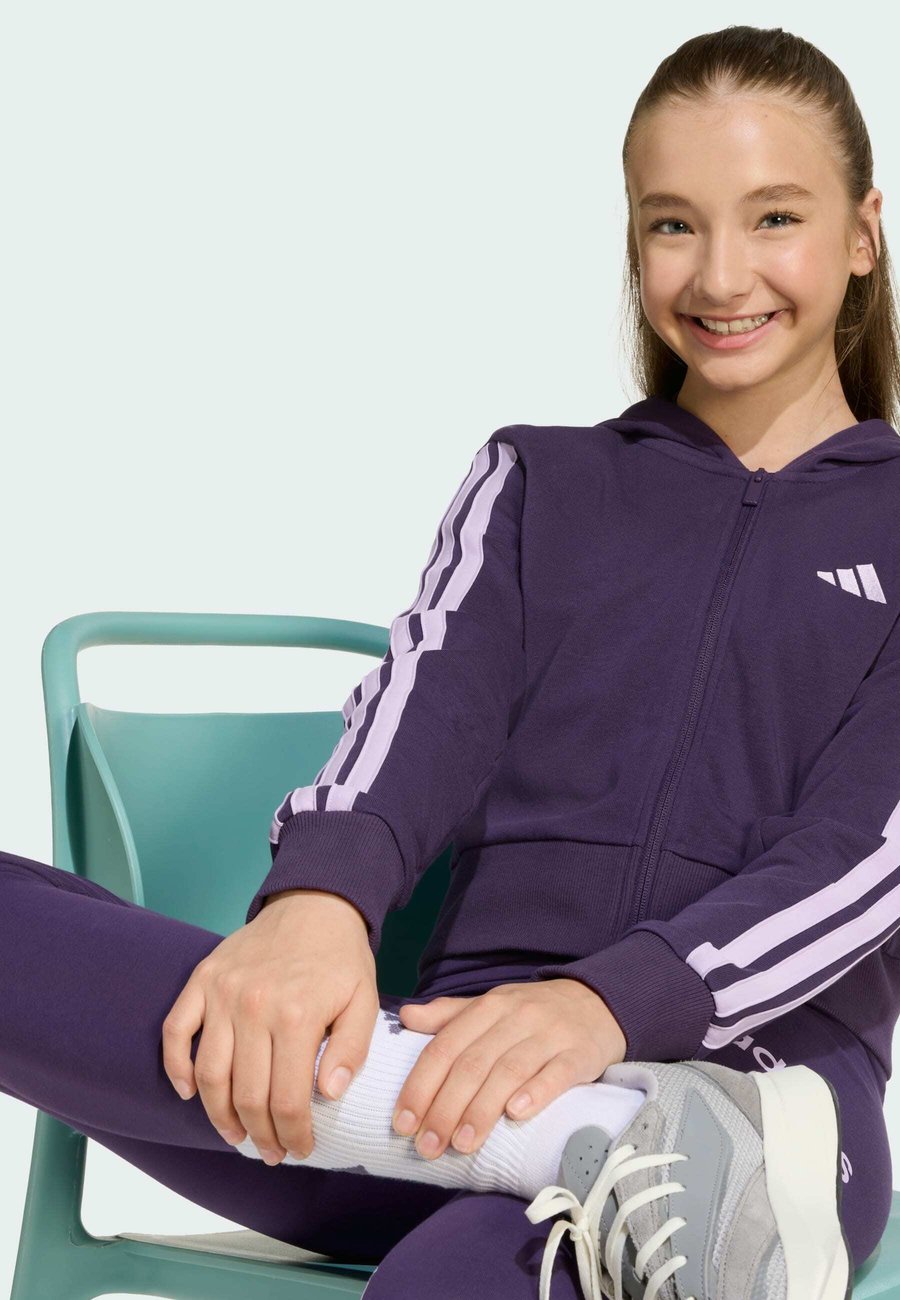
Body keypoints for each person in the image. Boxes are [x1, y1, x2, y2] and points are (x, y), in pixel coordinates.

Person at [4, 21, 898, 1300]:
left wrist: (611, 1004)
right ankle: (578, 1135)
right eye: (672, 223)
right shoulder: (541, 480)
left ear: (862, 234)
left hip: (761, 1108)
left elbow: (862, 859)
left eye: (774, 218)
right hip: (430, 1071)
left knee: (451, 1284)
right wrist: (317, 905)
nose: (719, 272)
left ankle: (619, 1138)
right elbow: (423, 711)